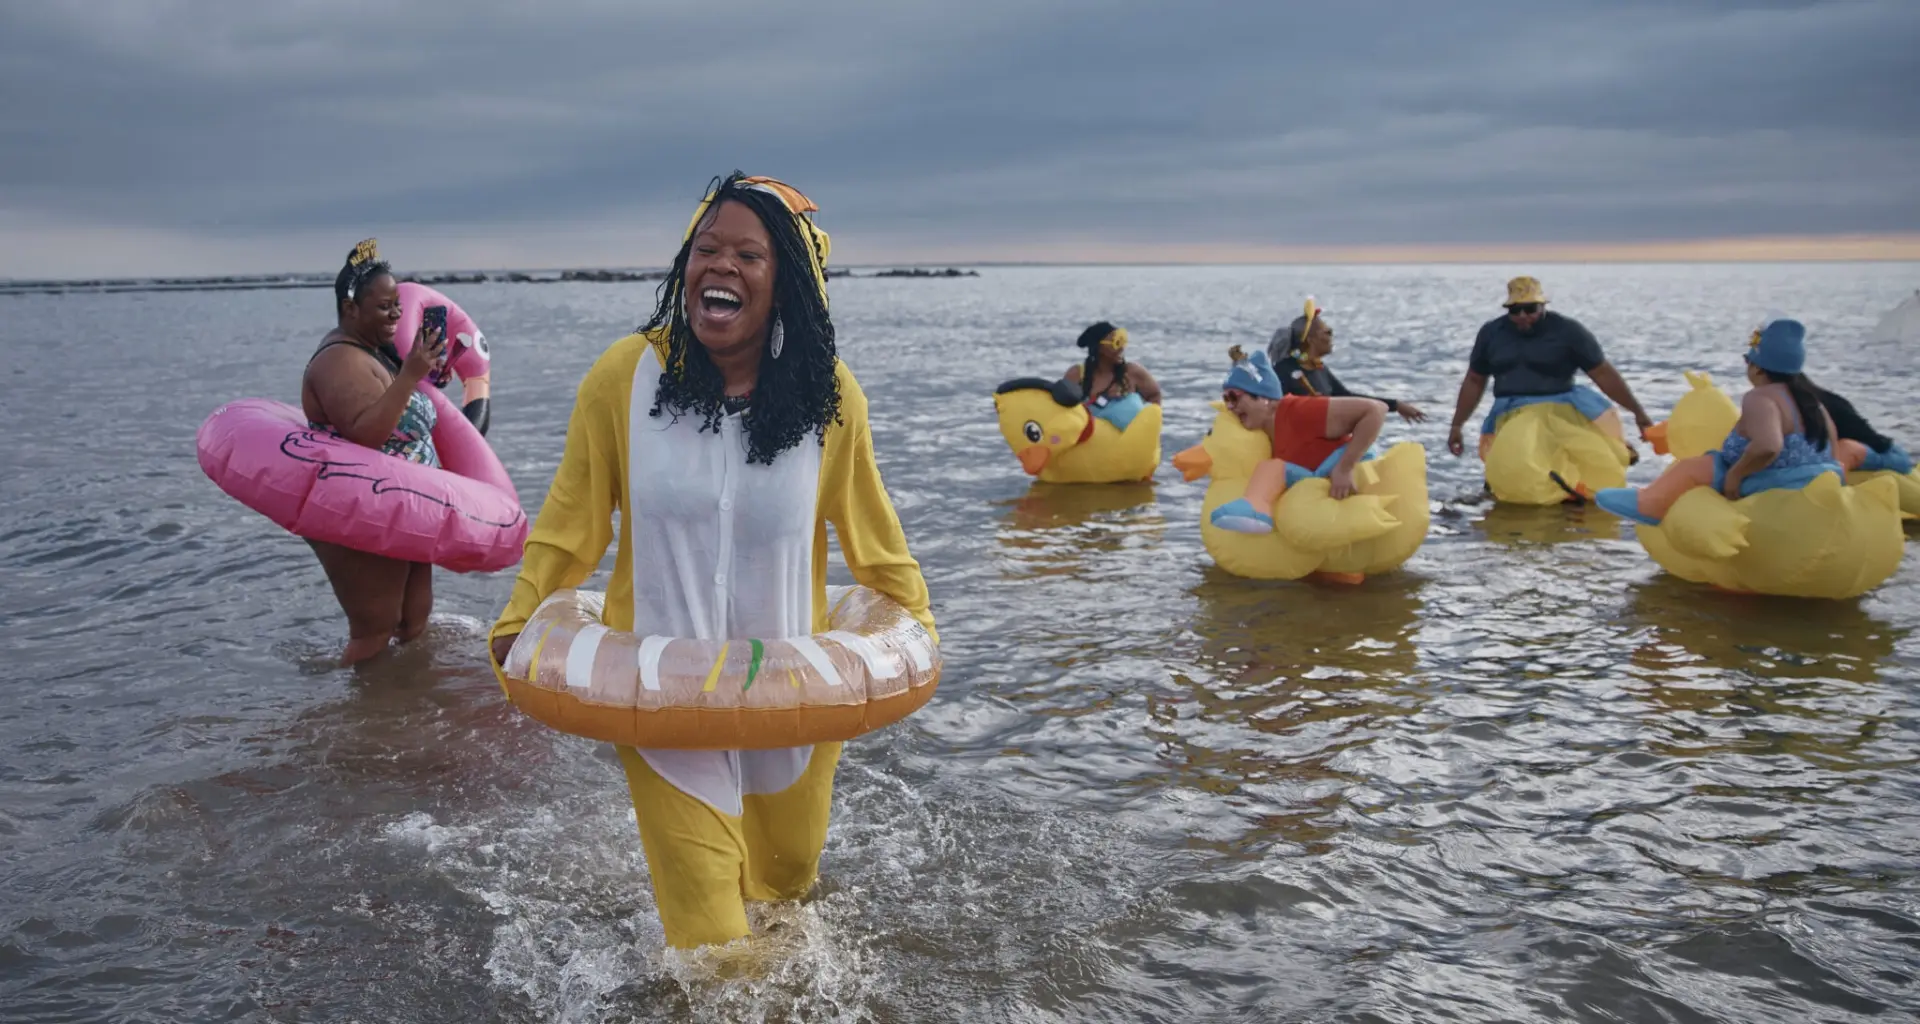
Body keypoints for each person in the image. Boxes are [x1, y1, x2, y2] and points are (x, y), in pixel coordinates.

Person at [485, 173, 935, 950]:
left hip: (792, 707)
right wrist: (521, 615)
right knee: (716, 951)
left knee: (788, 892)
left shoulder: (831, 401)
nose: (718, 266)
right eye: (706, 248)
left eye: (748, 255)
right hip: (663, 702)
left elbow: (875, 538)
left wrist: (914, 629)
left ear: (786, 284)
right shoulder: (623, 379)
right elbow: (570, 524)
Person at [300, 239, 449, 666]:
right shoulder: (338, 361)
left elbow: (402, 413)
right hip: (366, 508)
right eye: (384, 307)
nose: (396, 315)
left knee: (412, 621)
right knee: (376, 628)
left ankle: (399, 719)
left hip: (405, 507)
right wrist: (410, 375)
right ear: (351, 310)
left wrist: (423, 373)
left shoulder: (374, 353)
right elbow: (366, 434)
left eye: (397, 305)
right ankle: (350, 722)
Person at [1595, 319, 1841, 524]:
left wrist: (1736, 474)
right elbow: (1831, 444)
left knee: (1694, 467)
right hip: (1814, 476)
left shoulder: (1760, 398)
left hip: (1768, 480)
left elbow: (1768, 445)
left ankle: (1649, 505)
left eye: (1748, 361)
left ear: (1757, 368)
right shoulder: (1812, 402)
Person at [1446, 276, 1654, 474]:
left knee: (1584, 464)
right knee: (1516, 469)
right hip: (1511, 413)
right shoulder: (1491, 333)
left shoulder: (1569, 332)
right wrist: (1457, 424)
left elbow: (1603, 374)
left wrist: (1638, 412)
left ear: (1543, 306)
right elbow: (1474, 380)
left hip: (1561, 409)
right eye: (1515, 310)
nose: (1522, 317)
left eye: (1530, 309)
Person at [1208, 346, 1388, 533]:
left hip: (1353, 482)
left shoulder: (1299, 411)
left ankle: (1255, 510)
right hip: (1319, 498)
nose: (1229, 407)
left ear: (1265, 399)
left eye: (1234, 397)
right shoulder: (1259, 434)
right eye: (1225, 399)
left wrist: (1345, 468)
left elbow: (1376, 410)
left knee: (1271, 469)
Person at [1265, 297, 1425, 422]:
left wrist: (1395, 405)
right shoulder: (1283, 371)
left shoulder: (1319, 369)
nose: (1331, 335)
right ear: (1311, 340)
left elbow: (1346, 396)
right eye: (1327, 332)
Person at [1062, 321, 1162, 432]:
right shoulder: (1077, 375)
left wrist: (1150, 427)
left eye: (1122, 342)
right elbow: (1060, 410)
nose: (1121, 348)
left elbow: (1155, 395)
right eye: (1116, 343)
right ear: (1099, 348)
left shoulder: (1132, 372)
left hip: (1131, 446)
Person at [1820, 386, 1914, 475]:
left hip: (1888, 454)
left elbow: (1877, 444)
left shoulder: (1818, 403)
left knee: (1845, 448)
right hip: (1850, 451)